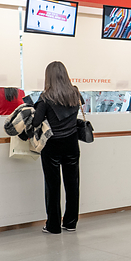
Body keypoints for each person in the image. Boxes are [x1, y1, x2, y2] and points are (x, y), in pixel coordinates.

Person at [32, 61, 84, 234]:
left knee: (52, 185)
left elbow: (36, 121)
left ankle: (53, 225)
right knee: (72, 184)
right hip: (72, 144)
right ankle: (70, 222)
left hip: (52, 145)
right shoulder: (75, 93)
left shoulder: (45, 97)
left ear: (49, 77)